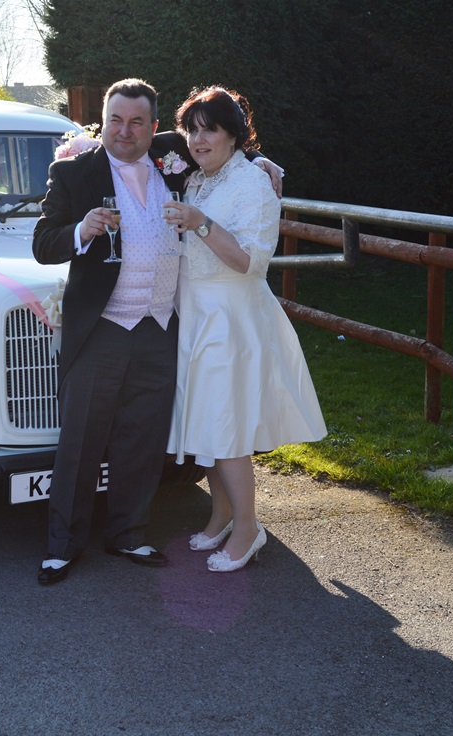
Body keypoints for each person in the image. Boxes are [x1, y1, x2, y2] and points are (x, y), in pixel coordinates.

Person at [32, 79, 282, 585]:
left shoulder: (174, 154)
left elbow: (221, 143)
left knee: (142, 439)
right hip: (102, 326)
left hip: (162, 326)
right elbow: (43, 243)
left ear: (154, 126)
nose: (126, 132)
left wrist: (260, 160)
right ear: (103, 122)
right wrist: (81, 230)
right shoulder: (74, 172)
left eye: (138, 122)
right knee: (81, 439)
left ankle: (129, 532)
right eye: (116, 121)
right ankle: (64, 544)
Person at [163, 86, 327, 573]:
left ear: (233, 134)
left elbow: (252, 263)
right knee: (207, 428)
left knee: (226, 429)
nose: (197, 139)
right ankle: (222, 515)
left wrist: (200, 224)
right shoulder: (196, 179)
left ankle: (250, 529)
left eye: (209, 129)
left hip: (229, 321)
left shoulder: (253, 184)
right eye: (191, 129)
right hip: (195, 314)